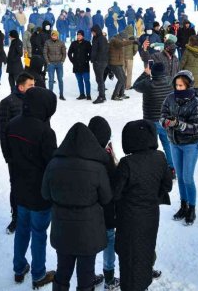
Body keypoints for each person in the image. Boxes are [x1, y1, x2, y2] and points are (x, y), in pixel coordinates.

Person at [41, 123, 112, 291]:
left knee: (62, 272)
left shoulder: (53, 164)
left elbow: (45, 194)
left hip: (62, 229)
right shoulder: (97, 167)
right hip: (88, 231)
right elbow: (106, 197)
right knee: (86, 275)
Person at [3, 87, 57, 288]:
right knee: (39, 233)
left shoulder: (12, 125)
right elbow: (52, 163)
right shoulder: (45, 131)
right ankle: (38, 274)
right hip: (39, 193)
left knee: (22, 228)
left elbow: (8, 154)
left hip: (19, 187)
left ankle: (19, 268)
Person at [114, 120, 173, 291]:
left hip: (130, 218)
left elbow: (115, 193)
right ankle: (143, 283)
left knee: (129, 256)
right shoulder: (160, 157)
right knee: (146, 250)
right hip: (151, 215)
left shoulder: (127, 163)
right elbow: (167, 186)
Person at [161, 71, 198, 226]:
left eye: (181, 85)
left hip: (190, 145)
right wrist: (165, 122)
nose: (178, 88)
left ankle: (192, 208)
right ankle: (183, 205)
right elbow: (162, 115)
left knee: (187, 177)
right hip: (174, 143)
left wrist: (179, 124)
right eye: (176, 85)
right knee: (179, 177)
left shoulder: (196, 102)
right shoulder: (170, 98)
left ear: (188, 85)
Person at [0, 72, 36, 235]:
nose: (34, 88)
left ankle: (32, 215)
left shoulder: (36, 101)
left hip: (34, 154)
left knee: (34, 185)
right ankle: (16, 217)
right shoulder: (7, 103)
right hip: (16, 156)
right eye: (31, 86)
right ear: (21, 87)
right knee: (16, 187)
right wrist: (7, 155)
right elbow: (2, 131)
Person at [87, 116, 120, 290]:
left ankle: (89, 275)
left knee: (91, 243)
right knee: (109, 239)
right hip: (106, 210)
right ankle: (108, 277)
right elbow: (114, 184)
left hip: (90, 211)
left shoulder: (84, 153)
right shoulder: (106, 158)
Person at [133, 61, 175, 175]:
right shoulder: (170, 82)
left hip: (150, 121)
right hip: (166, 120)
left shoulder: (148, 84)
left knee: (150, 146)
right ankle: (172, 168)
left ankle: (151, 168)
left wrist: (145, 73)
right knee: (168, 144)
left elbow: (135, 85)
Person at [108, 32, 136, 101]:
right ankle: (114, 96)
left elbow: (122, 44)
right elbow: (121, 44)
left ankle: (121, 94)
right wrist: (132, 41)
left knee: (124, 78)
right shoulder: (114, 40)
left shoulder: (118, 40)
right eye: (124, 39)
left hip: (118, 63)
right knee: (121, 79)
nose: (125, 41)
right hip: (114, 63)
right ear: (121, 37)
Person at [68, 30, 92, 100]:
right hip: (76, 66)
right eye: (78, 35)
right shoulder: (73, 43)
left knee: (87, 80)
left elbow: (91, 53)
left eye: (80, 35)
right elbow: (69, 53)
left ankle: (88, 95)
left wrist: (87, 59)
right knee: (79, 80)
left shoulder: (87, 43)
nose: (78, 36)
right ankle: (82, 94)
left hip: (85, 66)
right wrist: (73, 61)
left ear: (83, 36)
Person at [43, 30, 66, 100]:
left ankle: (61, 95)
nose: (54, 37)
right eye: (53, 35)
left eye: (55, 35)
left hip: (59, 64)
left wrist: (62, 61)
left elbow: (64, 53)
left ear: (57, 36)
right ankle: (50, 95)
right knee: (51, 80)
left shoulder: (61, 43)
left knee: (60, 80)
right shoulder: (47, 42)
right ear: (51, 35)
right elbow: (45, 52)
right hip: (51, 64)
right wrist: (48, 62)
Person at [91, 25, 109, 104]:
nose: (92, 33)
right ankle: (103, 95)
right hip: (96, 61)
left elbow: (103, 51)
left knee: (100, 79)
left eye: (93, 32)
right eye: (92, 32)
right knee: (99, 79)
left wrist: (97, 60)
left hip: (100, 62)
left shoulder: (102, 38)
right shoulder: (95, 38)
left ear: (97, 31)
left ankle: (101, 96)